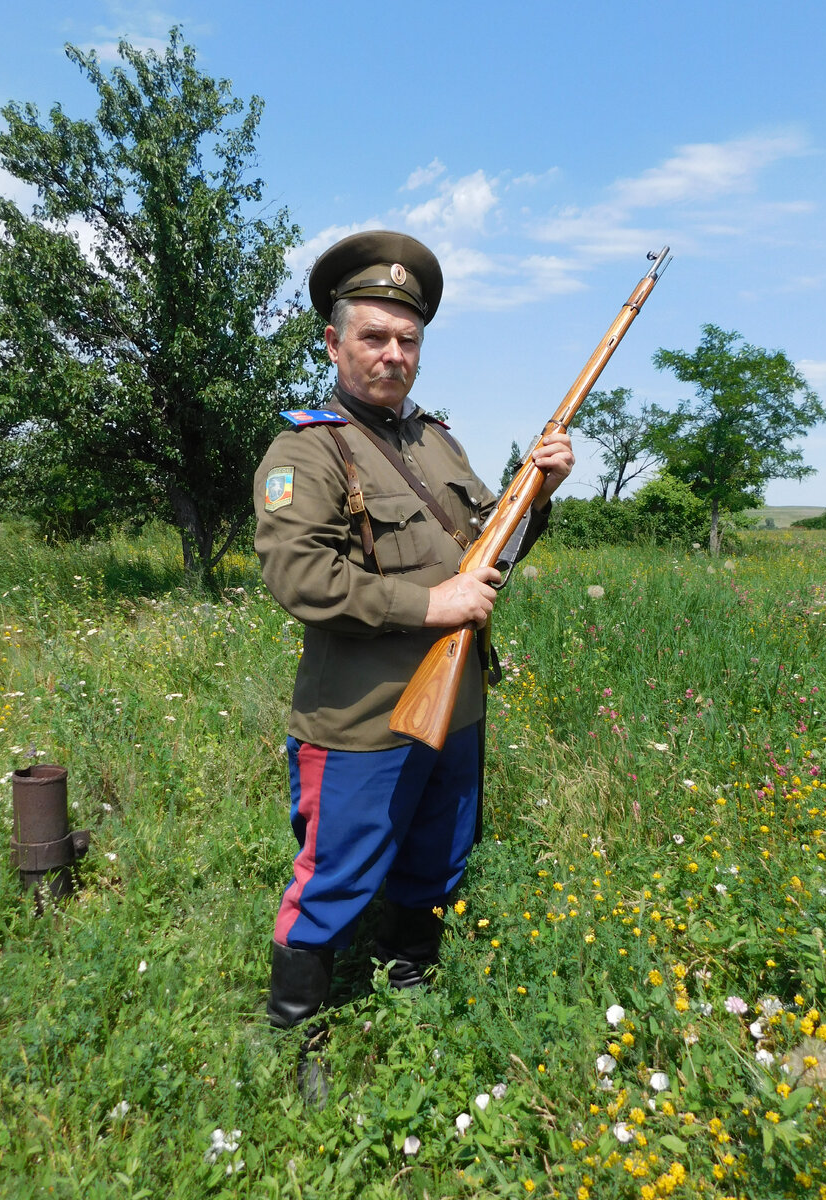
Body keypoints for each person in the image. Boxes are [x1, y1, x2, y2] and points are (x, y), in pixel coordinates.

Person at [253, 230, 574, 1046]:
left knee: (438, 850)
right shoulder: (307, 449)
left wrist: (537, 498)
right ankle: (295, 1033)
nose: (393, 354)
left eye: (408, 339)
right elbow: (302, 580)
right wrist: (436, 605)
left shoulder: (438, 442)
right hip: (362, 718)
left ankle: (410, 975)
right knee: (337, 872)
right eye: (373, 337)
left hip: (455, 701)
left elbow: (486, 558)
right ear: (333, 342)